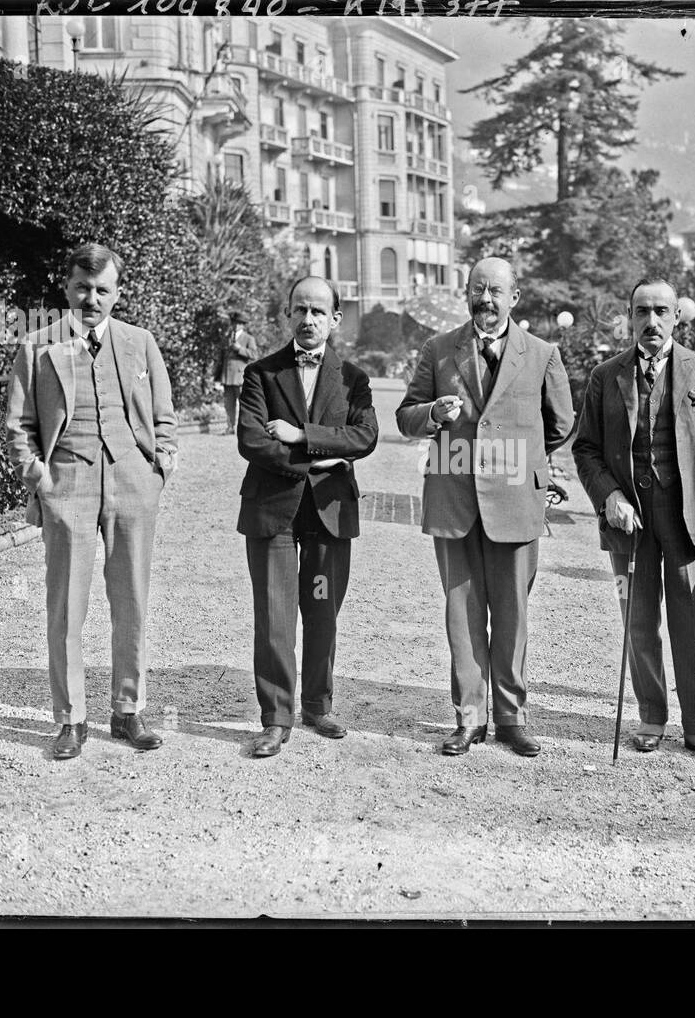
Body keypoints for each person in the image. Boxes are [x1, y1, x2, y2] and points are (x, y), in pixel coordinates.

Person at [396, 257, 574, 757]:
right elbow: (406, 416)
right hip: (453, 500)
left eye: (496, 291)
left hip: (516, 502)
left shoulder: (542, 355)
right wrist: (431, 412)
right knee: (463, 614)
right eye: (478, 289)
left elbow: (560, 424)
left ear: (515, 297)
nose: (486, 299)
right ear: (466, 293)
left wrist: (522, 460)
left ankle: (512, 718)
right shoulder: (437, 350)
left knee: (513, 614)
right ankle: (470, 719)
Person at [5, 243, 178, 760]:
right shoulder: (40, 345)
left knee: (131, 601)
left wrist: (160, 465)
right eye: (83, 287)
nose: (92, 298)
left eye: (103, 289)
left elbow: (164, 413)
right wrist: (38, 475)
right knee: (66, 606)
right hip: (68, 486)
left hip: (132, 482)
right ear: (67, 288)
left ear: (117, 293)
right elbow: (19, 423)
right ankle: (70, 718)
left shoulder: (139, 342)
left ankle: (128, 710)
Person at [573, 279, 695, 764]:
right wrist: (608, 496)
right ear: (629, 317)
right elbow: (585, 448)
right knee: (639, 621)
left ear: (677, 318)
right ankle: (651, 716)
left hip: (691, 518)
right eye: (642, 311)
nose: (652, 321)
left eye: (661, 311)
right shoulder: (607, 376)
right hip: (630, 521)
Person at [237, 276, 378, 758]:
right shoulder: (260, 373)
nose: (308, 319)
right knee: (275, 615)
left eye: (319, 311)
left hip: (329, 512)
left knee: (321, 612)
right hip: (272, 510)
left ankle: (318, 705)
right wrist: (319, 457)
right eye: (300, 310)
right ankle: (276, 718)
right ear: (287, 315)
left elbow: (364, 437)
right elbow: (251, 441)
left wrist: (301, 436)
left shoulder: (354, 378)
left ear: (336, 319)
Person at [214, 310, 259, 434]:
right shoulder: (227, 338)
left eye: (238, 323)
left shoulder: (248, 338)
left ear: (242, 325)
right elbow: (221, 359)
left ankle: (246, 428)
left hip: (240, 377)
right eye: (233, 322)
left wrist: (240, 349)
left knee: (244, 404)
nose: (235, 325)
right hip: (227, 377)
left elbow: (254, 355)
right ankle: (230, 427)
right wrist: (218, 377)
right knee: (229, 405)